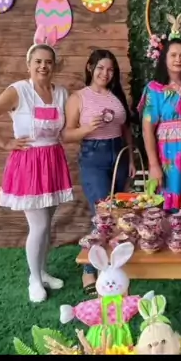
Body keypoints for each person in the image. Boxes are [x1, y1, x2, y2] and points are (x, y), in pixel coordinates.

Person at [0, 31, 73, 303]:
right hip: (29, 163)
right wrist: (5, 142)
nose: (43, 66)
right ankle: (34, 280)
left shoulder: (61, 93)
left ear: (54, 66)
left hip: (52, 160)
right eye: (38, 61)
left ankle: (42, 271)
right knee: (38, 226)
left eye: (48, 62)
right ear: (28, 65)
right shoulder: (18, 91)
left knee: (47, 224)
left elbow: (66, 128)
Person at [62, 49, 136, 292]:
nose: (106, 73)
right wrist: (86, 130)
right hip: (94, 156)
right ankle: (89, 270)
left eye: (111, 69)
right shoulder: (78, 97)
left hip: (119, 155)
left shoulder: (116, 96)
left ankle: (114, 267)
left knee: (119, 213)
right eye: (101, 68)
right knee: (102, 214)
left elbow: (125, 129)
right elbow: (66, 134)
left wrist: (131, 158)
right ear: (90, 67)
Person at [139, 38, 181, 212]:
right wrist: (154, 165)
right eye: (173, 55)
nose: (178, 59)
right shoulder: (155, 89)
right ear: (164, 59)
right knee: (168, 208)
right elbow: (147, 130)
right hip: (168, 159)